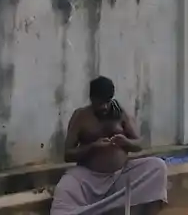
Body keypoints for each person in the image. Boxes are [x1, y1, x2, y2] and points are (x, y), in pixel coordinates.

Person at [51, 76, 168, 215]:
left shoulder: (120, 113)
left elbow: (139, 144)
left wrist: (125, 142)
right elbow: (68, 154)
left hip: (119, 176)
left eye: (107, 102)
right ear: (92, 99)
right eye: (100, 103)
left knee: (157, 166)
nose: (104, 107)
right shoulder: (81, 116)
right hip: (88, 178)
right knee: (64, 192)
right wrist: (93, 147)